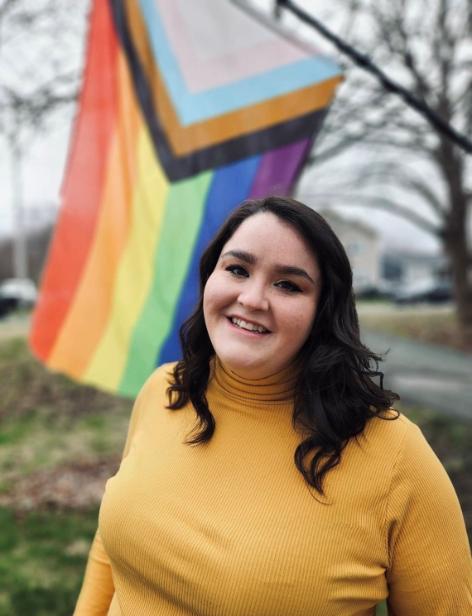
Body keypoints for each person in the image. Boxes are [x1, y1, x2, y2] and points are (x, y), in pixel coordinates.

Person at [74, 196, 472, 616]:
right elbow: (110, 545)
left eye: (288, 285)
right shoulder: (164, 390)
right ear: (211, 276)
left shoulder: (395, 457)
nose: (252, 298)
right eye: (237, 269)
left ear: (324, 312)